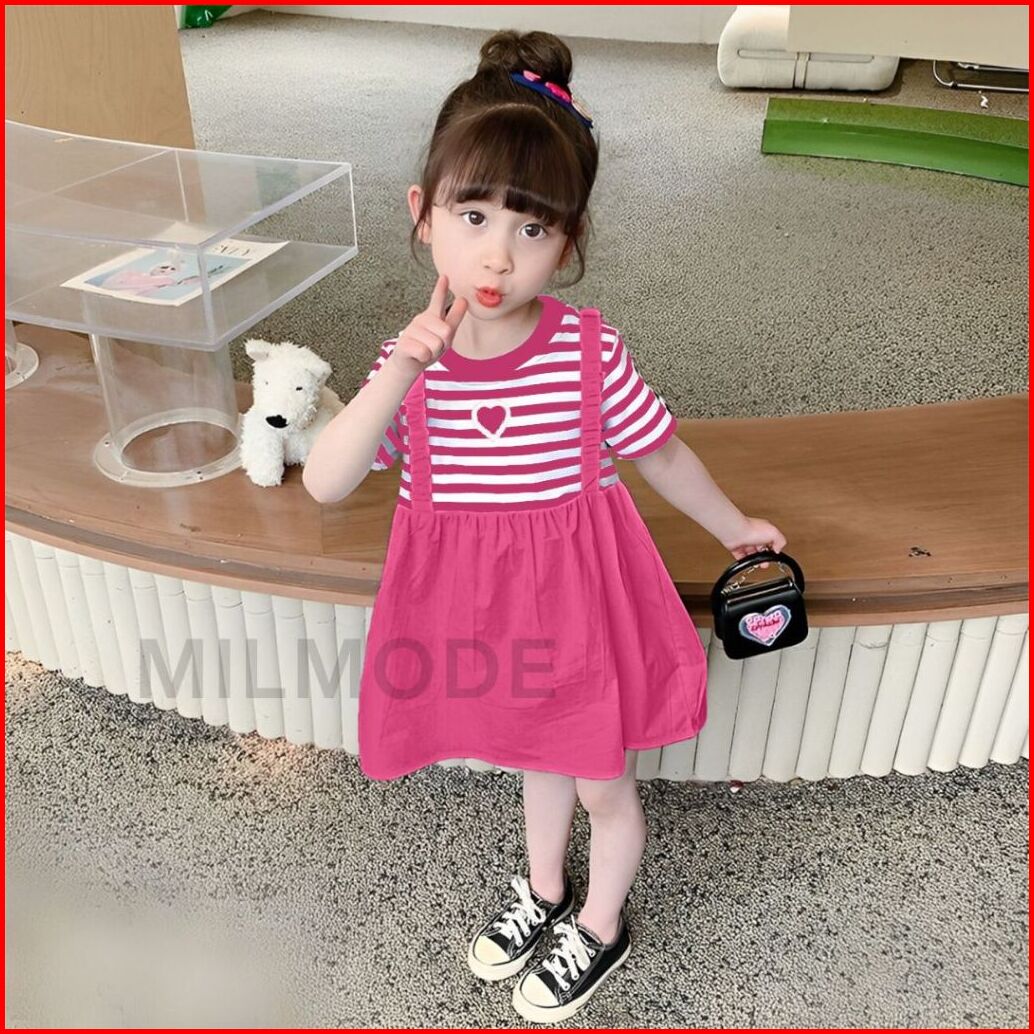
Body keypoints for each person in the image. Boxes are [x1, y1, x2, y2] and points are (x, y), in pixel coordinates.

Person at [303, 28, 786, 1024]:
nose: (497, 254)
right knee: (534, 756)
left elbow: (659, 453)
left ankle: (599, 924)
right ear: (422, 215)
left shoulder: (586, 350)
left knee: (601, 785)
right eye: (473, 215)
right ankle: (544, 888)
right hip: (482, 616)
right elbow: (326, 480)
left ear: (568, 241)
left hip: (576, 615)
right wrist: (401, 369)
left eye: (532, 228)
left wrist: (734, 524)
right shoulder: (410, 362)